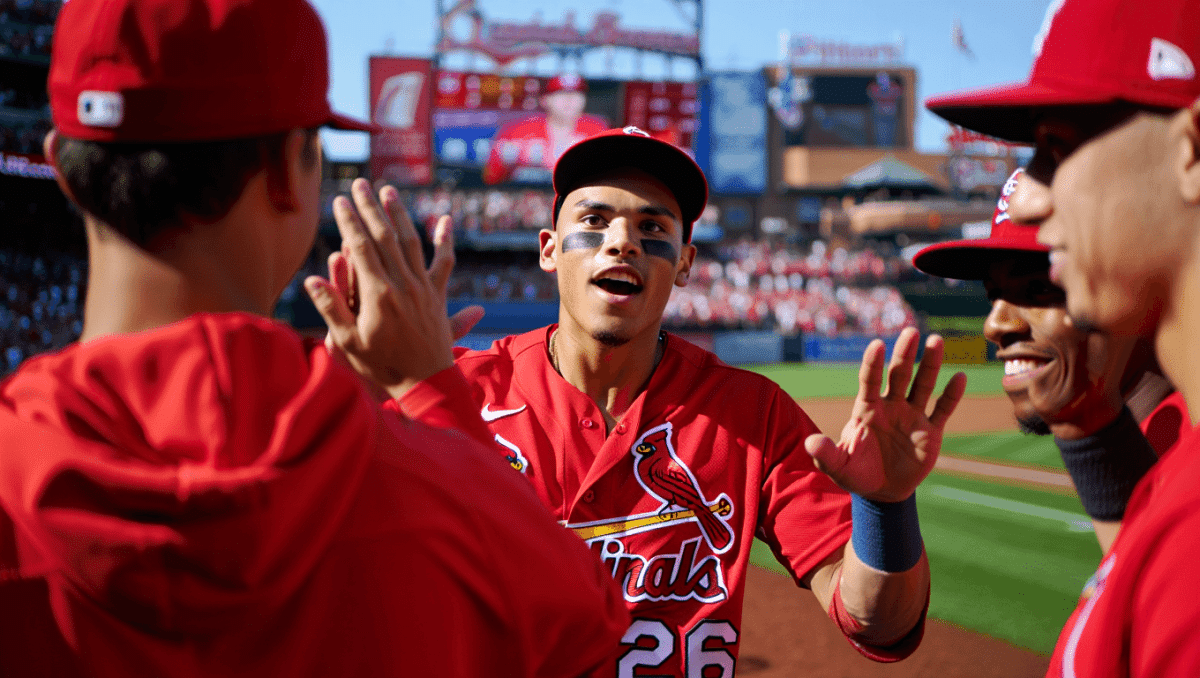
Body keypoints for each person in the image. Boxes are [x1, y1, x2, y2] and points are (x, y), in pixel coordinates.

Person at [0, 1, 630, 676]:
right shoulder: (435, 496)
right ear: (286, 173)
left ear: (62, 168)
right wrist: (430, 396)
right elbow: (584, 623)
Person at [315, 126, 969, 675]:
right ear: (549, 250)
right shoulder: (452, 394)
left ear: (684, 263)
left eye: (651, 226)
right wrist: (341, 408)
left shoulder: (752, 416)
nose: (622, 241)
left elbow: (880, 622)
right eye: (594, 221)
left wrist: (885, 509)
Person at [926, 0, 1200, 674]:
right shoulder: (1176, 480)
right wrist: (1088, 424)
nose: (1025, 198)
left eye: (1057, 147)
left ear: (1192, 150)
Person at [913, 168, 1190, 555]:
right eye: (993, 295)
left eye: (1039, 288)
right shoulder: (1151, 460)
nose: (994, 325)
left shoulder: (1188, 477)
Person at [482, 73, 607, 185]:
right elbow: (490, 177)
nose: (570, 100)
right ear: (544, 100)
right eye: (561, 94)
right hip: (527, 194)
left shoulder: (597, 129)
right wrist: (514, 158)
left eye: (576, 94)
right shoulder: (518, 130)